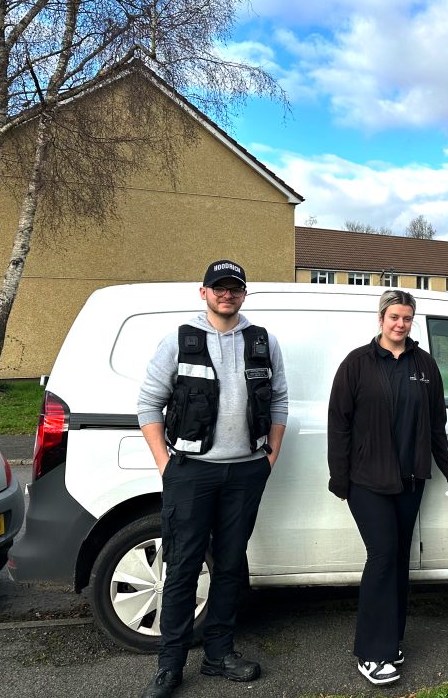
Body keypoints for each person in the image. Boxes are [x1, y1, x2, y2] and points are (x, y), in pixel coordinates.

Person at [137, 260, 289, 698]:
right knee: (183, 567)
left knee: (229, 564)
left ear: (244, 294)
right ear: (203, 292)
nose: (228, 294)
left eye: (235, 288)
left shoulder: (263, 342)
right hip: (191, 472)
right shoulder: (179, 341)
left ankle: (219, 655)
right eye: (219, 288)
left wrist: (269, 457)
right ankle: (170, 665)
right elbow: (149, 405)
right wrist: (166, 464)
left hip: (246, 470)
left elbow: (278, 400)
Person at [327, 289, 448, 686]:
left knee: (398, 560)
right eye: (394, 317)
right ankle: (371, 653)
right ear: (381, 319)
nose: (400, 324)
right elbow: (339, 424)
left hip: (410, 479)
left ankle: (391, 640)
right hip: (367, 480)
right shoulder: (357, 364)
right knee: (383, 556)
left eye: (407, 318)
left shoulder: (424, 364)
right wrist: (341, 480)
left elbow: (435, 424)